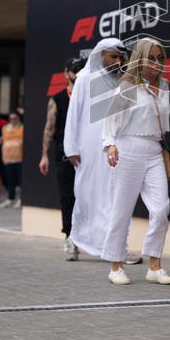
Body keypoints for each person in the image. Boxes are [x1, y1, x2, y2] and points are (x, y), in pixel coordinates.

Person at [101, 38, 170, 286]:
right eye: (151, 58)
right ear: (140, 59)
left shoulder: (164, 86)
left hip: (154, 151)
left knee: (161, 208)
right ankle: (116, 265)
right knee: (121, 210)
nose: (156, 63)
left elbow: (164, 124)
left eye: (159, 58)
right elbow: (110, 119)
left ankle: (154, 265)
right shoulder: (128, 87)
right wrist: (110, 144)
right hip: (128, 149)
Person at [64, 37, 143, 264]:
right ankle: (75, 239)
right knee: (86, 196)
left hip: (117, 149)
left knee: (118, 198)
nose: (118, 60)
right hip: (87, 151)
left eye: (121, 57)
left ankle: (118, 247)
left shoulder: (125, 82)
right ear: (101, 55)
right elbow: (74, 115)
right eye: (113, 56)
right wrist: (70, 147)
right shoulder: (84, 79)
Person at [40, 56, 87, 259]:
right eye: (75, 70)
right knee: (68, 198)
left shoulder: (90, 97)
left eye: (82, 69)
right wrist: (44, 156)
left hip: (89, 157)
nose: (78, 73)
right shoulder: (58, 99)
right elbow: (49, 128)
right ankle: (70, 239)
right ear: (66, 73)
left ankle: (96, 240)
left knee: (89, 199)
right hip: (64, 156)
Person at [0, 111, 24, 208]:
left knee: (20, 180)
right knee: (10, 180)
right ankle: (10, 198)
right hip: (8, 158)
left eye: (15, 118)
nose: (13, 120)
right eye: (11, 118)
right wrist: (3, 157)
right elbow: (3, 143)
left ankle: (21, 199)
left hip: (19, 158)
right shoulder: (5, 129)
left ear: (18, 118)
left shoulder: (22, 128)